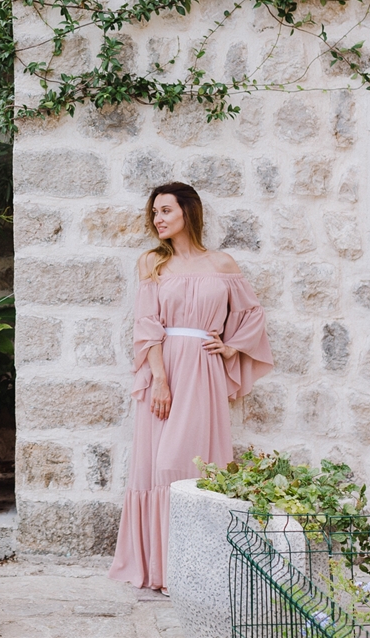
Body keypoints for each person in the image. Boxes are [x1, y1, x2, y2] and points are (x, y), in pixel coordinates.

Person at [108, 182, 274, 592]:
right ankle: (163, 569)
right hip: (165, 371)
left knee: (196, 464)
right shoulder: (152, 263)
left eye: (165, 210)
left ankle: (198, 568)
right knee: (161, 464)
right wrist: (160, 381)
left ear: (188, 211)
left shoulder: (222, 264)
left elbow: (252, 314)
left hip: (205, 371)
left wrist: (231, 345)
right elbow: (147, 328)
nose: (158, 219)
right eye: (154, 214)